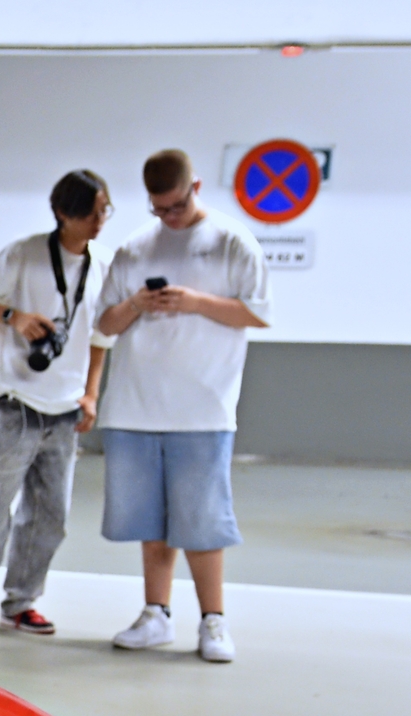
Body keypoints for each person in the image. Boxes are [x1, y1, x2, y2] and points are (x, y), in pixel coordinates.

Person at [92, 148, 270, 663]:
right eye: (157, 209)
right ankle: (156, 614)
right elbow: (105, 324)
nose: (167, 217)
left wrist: (194, 302)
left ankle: (213, 621)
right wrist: (136, 305)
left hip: (202, 407)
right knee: (150, 524)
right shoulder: (134, 249)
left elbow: (256, 314)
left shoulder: (232, 242)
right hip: (135, 406)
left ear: (194, 189)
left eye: (174, 206)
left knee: (200, 522)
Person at [0, 170, 114, 636]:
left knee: (50, 516)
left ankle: (21, 602)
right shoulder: (23, 254)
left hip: (65, 409)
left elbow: (100, 338)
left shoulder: (102, 267)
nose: (101, 220)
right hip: (13, 403)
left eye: (105, 211)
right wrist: (11, 316)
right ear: (64, 213)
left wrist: (91, 393)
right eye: (93, 212)